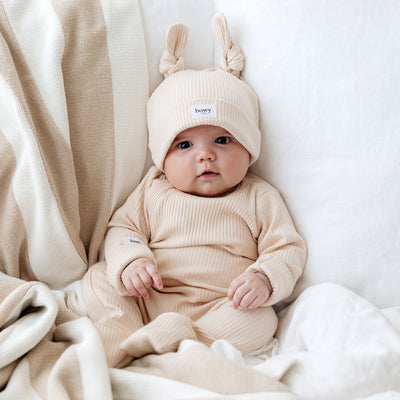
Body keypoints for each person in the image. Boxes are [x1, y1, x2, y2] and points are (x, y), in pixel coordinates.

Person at [81, 13, 306, 368]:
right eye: (184, 145)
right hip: (147, 298)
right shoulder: (153, 190)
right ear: (161, 157)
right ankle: (122, 341)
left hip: (222, 307)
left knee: (262, 320)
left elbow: (287, 248)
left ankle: (179, 342)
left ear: (249, 147)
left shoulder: (258, 197)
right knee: (98, 279)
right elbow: (122, 230)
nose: (205, 155)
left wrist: (264, 277)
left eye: (222, 139)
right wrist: (132, 260)